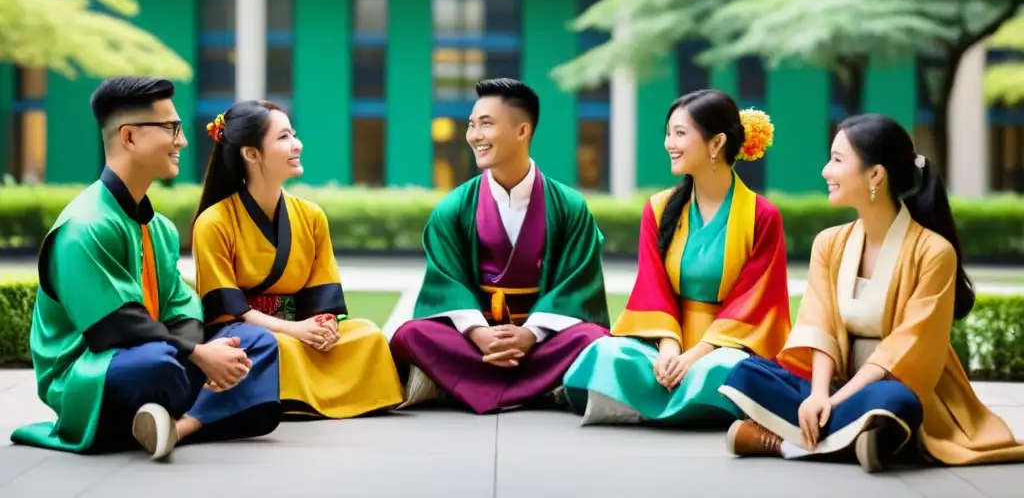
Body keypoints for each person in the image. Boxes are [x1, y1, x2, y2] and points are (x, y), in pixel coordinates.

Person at [719, 114, 1024, 472]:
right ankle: (865, 439)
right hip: (836, 383)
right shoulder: (829, 243)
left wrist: (836, 402)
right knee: (744, 373)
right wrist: (819, 395)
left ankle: (784, 442)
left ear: (875, 175)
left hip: (894, 386)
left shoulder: (933, 252)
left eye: (836, 159)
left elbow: (905, 350)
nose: (825, 172)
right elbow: (820, 326)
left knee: (896, 401)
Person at [10, 77, 281, 460]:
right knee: (157, 364)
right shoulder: (83, 226)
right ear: (130, 138)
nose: (182, 141)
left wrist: (203, 350)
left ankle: (173, 426)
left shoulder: (160, 229)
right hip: (93, 372)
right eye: (171, 128)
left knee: (256, 343)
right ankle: (194, 413)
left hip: (161, 355)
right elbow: (117, 326)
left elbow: (181, 309)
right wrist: (199, 355)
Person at [562, 89, 792, 426]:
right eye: (668, 133)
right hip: (667, 341)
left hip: (727, 347)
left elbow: (756, 303)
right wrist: (670, 349)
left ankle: (639, 405)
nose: (669, 143)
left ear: (716, 144)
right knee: (605, 352)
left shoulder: (761, 216)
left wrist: (697, 355)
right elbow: (651, 287)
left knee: (722, 370)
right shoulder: (659, 208)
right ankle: (686, 406)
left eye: (680, 133)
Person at [389, 78, 611, 414]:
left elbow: (578, 287)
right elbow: (445, 283)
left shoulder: (569, 206)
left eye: (486, 124)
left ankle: (470, 386)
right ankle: (542, 388)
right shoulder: (454, 207)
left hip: (541, 342)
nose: (474, 135)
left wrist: (530, 334)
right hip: (475, 343)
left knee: (593, 338)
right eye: (471, 125)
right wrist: (479, 332)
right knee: (410, 334)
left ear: (522, 132)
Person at [190, 99, 403, 420]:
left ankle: (308, 395)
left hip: (300, 328)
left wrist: (324, 327)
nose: (296, 144)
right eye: (283, 137)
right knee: (277, 347)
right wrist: (295, 331)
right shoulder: (214, 221)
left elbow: (323, 295)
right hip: (248, 333)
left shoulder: (311, 216)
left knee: (368, 336)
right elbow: (227, 310)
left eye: (293, 134)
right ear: (251, 154)